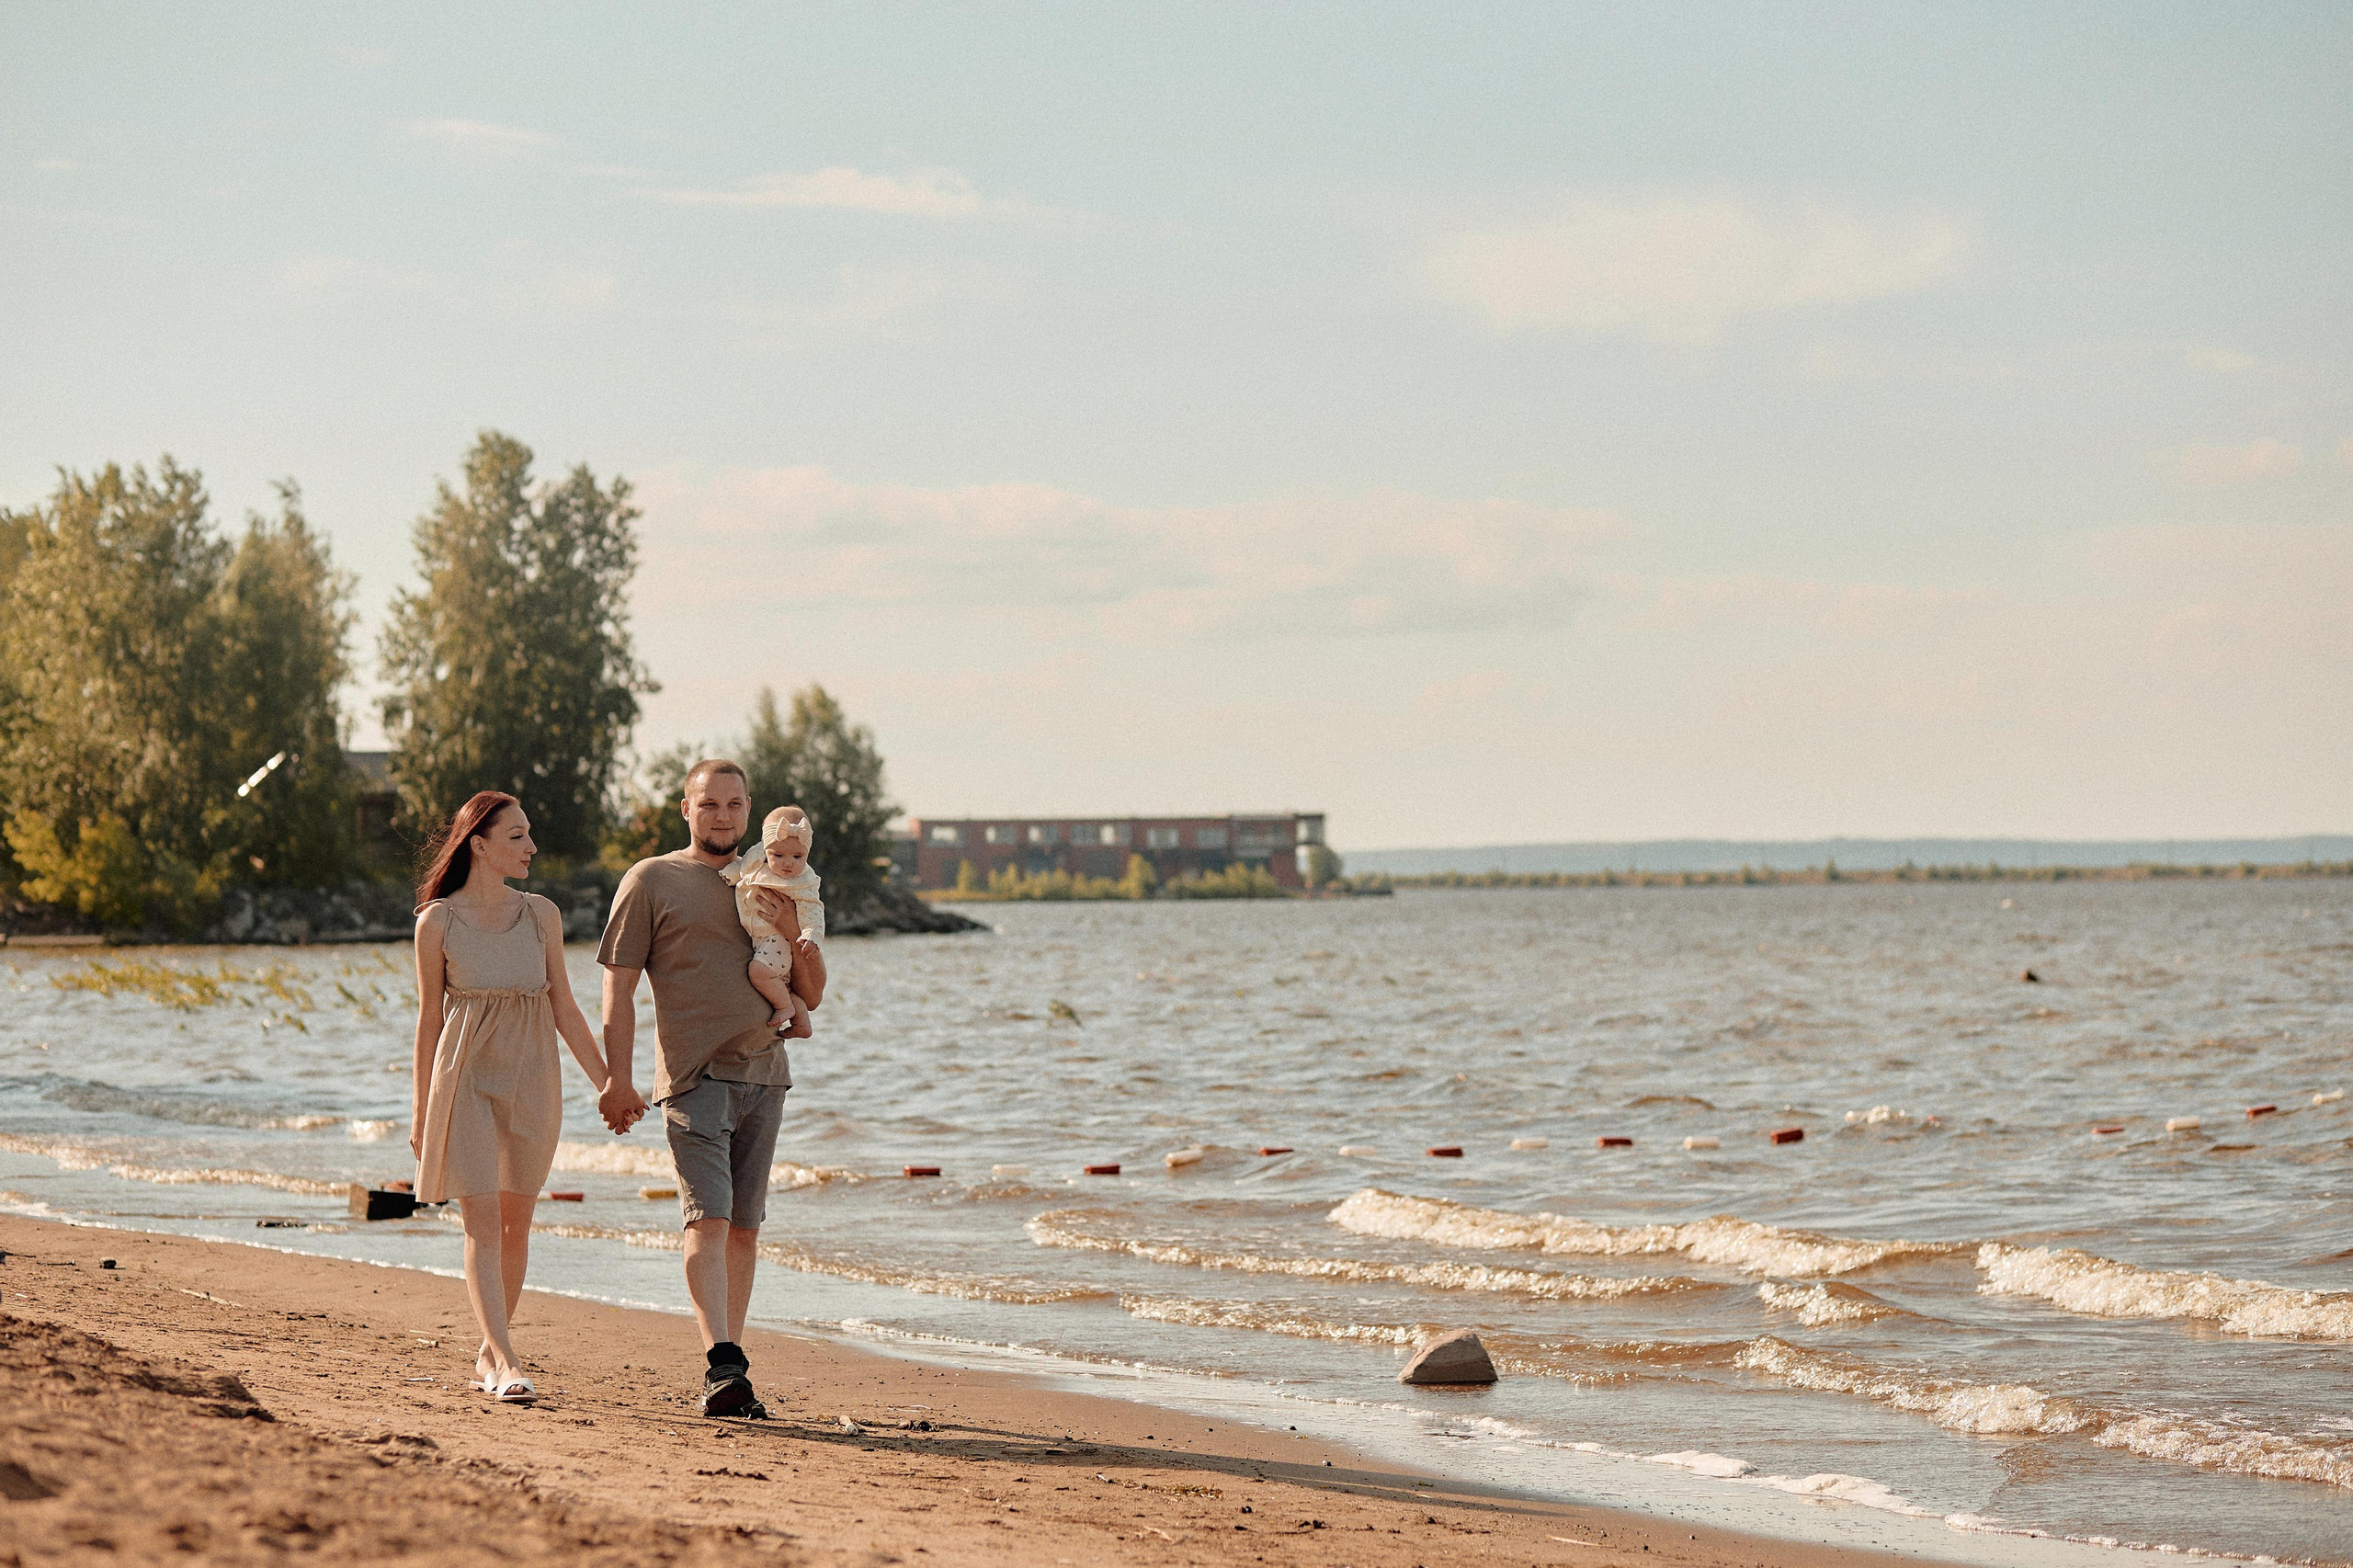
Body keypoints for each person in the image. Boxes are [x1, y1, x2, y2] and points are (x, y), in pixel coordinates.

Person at [596, 759, 825, 1418]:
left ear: (749, 811)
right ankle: (722, 1361)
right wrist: (618, 1076)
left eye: (733, 804)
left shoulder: (775, 878)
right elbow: (618, 988)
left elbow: (811, 993)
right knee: (710, 1217)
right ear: (685, 809)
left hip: (766, 1077)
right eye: (709, 804)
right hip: (694, 1079)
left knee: (746, 1229)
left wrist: (790, 932)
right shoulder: (651, 880)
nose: (722, 816)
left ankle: (730, 1369)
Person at [407, 790, 628, 1405]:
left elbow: (564, 1005)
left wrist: (609, 1083)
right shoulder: (437, 922)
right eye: (517, 836)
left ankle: (488, 1346)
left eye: (530, 835)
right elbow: (429, 1021)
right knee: (480, 1218)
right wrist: (422, 1109)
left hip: (533, 1077)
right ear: (479, 844)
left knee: (515, 1223)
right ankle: (505, 1358)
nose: (532, 847)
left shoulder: (542, 914)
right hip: (465, 1078)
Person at [724, 805, 824, 1039]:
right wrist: (734, 872)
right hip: (762, 941)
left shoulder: (802, 881)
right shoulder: (757, 861)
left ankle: (785, 1008)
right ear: (766, 850)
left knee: (758, 972)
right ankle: (801, 1023)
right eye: (778, 856)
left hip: (778, 940)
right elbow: (744, 869)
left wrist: (810, 933)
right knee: (781, 985)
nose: (788, 863)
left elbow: (813, 910)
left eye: (797, 857)